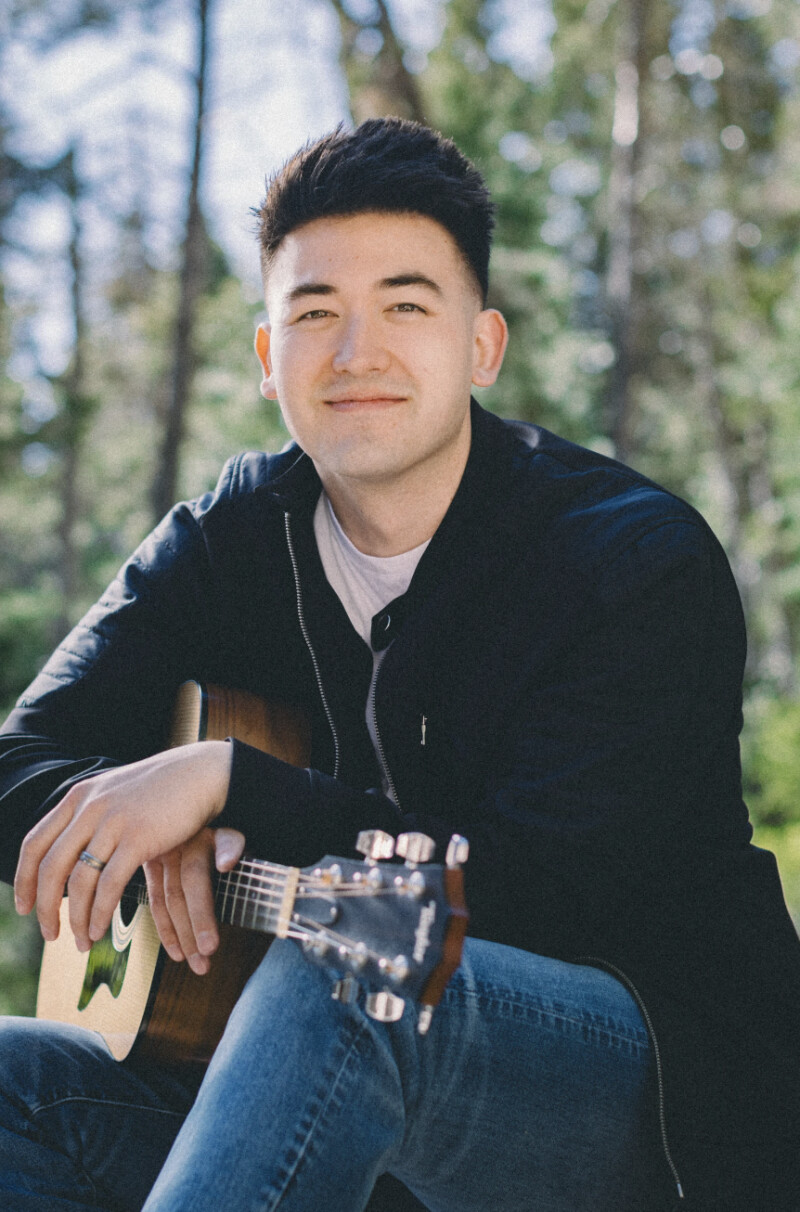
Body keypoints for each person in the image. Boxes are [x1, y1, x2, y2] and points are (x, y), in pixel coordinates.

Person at [0, 117, 799, 1212]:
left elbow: (534, 897)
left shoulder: (628, 557)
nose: (355, 352)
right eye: (314, 313)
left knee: (352, 960)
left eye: (406, 307)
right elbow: (18, 769)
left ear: (481, 346)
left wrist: (230, 784)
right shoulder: (232, 537)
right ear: (266, 358)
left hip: (648, 1112)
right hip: (321, 1097)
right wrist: (152, 839)